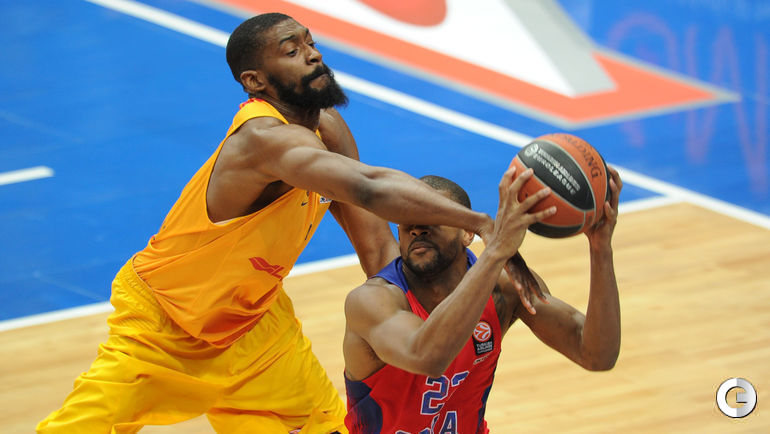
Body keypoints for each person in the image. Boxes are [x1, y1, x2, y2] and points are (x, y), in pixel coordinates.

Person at [37, 12, 547, 434]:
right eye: (291, 50)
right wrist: (482, 222)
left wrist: (422, 326)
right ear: (255, 81)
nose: (313, 54)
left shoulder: (327, 128)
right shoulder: (263, 140)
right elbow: (370, 187)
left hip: (255, 328)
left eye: (310, 42)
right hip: (165, 324)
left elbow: (375, 243)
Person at [343, 169, 622, 434]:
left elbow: (596, 355)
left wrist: (600, 248)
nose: (417, 230)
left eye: (430, 219)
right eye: (407, 224)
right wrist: (497, 250)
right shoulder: (373, 300)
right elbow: (426, 356)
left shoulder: (503, 288)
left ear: (468, 232)